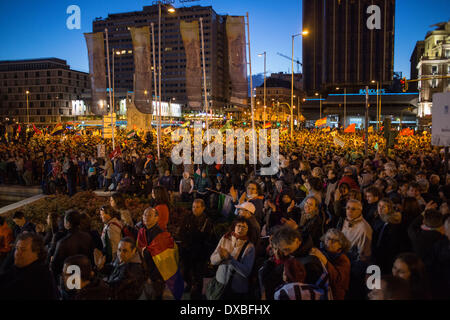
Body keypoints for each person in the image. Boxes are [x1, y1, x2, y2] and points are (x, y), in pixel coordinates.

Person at [259, 226, 324, 300]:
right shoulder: (295, 254)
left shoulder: (310, 261)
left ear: (296, 241)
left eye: (287, 249)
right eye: (283, 250)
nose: (285, 254)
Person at [0, 233, 58, 300]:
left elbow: (11, 291)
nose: (17, 253)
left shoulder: (38, 275)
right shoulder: (20, 267)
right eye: (16, 248)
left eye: (23, 250)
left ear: (36, 253)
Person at [209, 217, 256, 300]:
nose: (240, 228)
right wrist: (220, 256)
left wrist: (230, 259)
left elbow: (246, 271)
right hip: (220, 284)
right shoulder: (225, 238)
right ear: (234, 226)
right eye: (239, 225)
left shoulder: (250, 247)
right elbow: (212, 260)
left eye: (244, 227)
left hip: (236, 290)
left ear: (248, 230)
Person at [178, 199, 215, 299]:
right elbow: (181, 231)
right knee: (184, 272)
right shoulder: (187, 217)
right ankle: (190, 284)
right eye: (193, 207)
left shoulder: (207, 221)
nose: (195, 209)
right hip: (187, 250)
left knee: (197, 274)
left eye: (197, 207)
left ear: (203, 208)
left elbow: (209, 238)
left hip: (199, 252)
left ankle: (196, 294)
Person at [50, 210, 95, 278]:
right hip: (85, 275)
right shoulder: (88, 237)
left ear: (68, 223)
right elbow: (91, 256)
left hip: (71, 279)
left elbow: (54, 266)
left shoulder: (63, 242)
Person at [309, 229, 351, 300]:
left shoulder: (344, 260)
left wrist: (324, 260)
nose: (329, 242)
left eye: (334, 241)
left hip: (335, 294)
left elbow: (338, 279)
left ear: (341, 245)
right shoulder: (323, 251)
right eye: (328, 238)